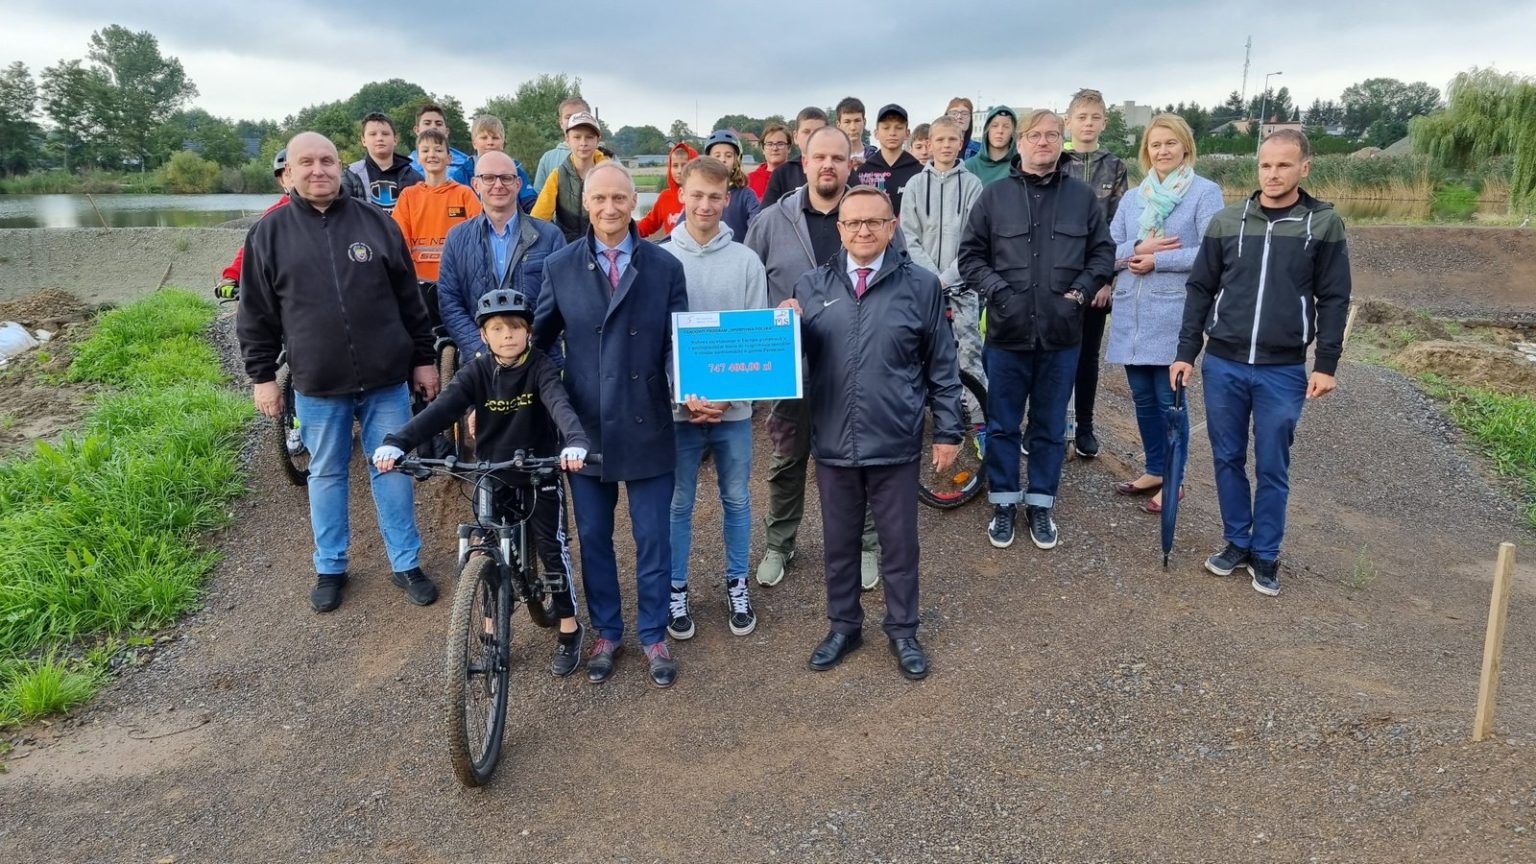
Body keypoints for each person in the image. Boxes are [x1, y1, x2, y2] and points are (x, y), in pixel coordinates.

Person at [237, 132, 440, 613]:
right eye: (306, 162)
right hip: (317, 383)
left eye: (327, 160)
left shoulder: (375, 223)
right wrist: (262, 375)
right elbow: (256, 313)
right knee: (325, 473)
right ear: (289, 172)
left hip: (387, 378)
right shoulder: (270, 233)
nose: (318, 170)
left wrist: (424, 358)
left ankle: (405, 562)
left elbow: (410, 300)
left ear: (340, 167)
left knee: (390, 469)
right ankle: (331, 566)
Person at [781, 185, 962, 680]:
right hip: (834, 439)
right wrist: (785, 330)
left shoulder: (922, 286)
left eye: (873, 222)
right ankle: (844, 625)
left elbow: (942, 365)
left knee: (899, 545)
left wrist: (948, 430)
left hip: (895, 440)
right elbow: (793, 365)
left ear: (891, 227)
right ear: (839, 230)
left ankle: (903, 630)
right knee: (838, 543)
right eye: (853, 222)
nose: (863, 230)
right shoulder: (811, 286)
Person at [1169, 129, 1352, 597]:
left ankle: (1266, 553)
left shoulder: (1323, 225)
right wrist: (1186, 353)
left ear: (1304, 168)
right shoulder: (1228, 221)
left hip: (1282, 368)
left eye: (1284, 165)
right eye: (1266, 165)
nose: (1273, 174)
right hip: (1224, 362)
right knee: (1227, 457)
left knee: (1272, 463)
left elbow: (1333, 298)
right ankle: (1236, 541)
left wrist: (1325, 363)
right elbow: (1200, 289)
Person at [372, 289, 592, 676]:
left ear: (528, 332)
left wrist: (574, 441)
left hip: (538, 470)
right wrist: (397, 442)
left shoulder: (539, 366)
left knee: (551, 549)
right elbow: (441, 410)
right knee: (485, 545)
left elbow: (559, 404)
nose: (507, 335)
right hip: (492, 472)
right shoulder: (475, 371)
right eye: (497, 329)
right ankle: (491, 632)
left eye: (515, 328)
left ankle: (569, 627)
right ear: (484, 336)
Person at [533, 161, 689, 687]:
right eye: (599, 199)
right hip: (587, 428)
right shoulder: (559, 266)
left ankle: (653, 634)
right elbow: (537, 346)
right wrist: (546, 398)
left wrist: (690, 387)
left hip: (647, 422)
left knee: (653, 538)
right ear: (586, 204)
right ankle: (606, 632)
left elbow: (677, 346)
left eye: (619, 198)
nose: (609, 208)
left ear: (635, 204)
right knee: (595, 537)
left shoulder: (665, 267)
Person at [959, 109, 1114, 551]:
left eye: (1051, 135)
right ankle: (1005, 502)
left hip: (1061, 335)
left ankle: (1041, 503)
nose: (1043, 141)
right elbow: (970, 257)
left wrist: (1080, 295)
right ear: (1020, 143)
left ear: (1061, 142)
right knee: (1004, 424)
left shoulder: (1082, 198)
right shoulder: (994, 197)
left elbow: (1103, 255)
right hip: (1007, 334)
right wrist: (999, 294)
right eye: (1034, 135)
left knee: (1048, 426)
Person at [744, 126, 882, 591]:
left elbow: (895, 280)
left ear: (850, 165)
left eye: (837, 158)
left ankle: (865, 545)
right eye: (819, 156)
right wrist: (772, 314)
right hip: (791, 370)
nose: (828, 165)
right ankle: (780, 544)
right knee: (786, 460)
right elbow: (748, 287)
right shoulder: (770, 221)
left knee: (859, 461)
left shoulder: (868, 217)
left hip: (857, 370)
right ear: (803, 162)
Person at [661, 156, 769, 640]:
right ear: (681, 193)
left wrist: (724, 399)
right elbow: (657, 342)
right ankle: (676, 587)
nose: (705, 204)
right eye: (697, 194)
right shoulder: (662, 258)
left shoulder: (746, 261)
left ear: (729, 199)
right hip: (678, 411)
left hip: (734, 411)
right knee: (679, 503)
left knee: (737, 498)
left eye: (715, 196)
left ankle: (736, 581)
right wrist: (684, 398)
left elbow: (753, 338)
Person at [1106, 115, 1224, 513]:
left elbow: (1211, 253)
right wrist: (1140, 248)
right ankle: (1155, 469)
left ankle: (1175, 481)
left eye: (1170, 143)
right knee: (1141, 397)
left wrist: (1159, 260)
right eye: (1155, 145)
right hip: (1131, 315)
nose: (1162, 151)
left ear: (1185, 146)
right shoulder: (1133, 198)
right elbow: (1109, 250)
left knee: (1169, 400)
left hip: (1173, 311)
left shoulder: (1205, 193)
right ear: (1146, 151)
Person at [437, 150, 567, 362]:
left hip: (540, 365)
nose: (498, 185)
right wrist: (483, 351)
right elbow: (450, 302)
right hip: (479, 367)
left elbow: (561, 301)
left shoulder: (550, 236)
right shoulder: (457, 238)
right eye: (488, 178)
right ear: (475, 184)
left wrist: (525, 348)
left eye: (506, 177)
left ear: (517, 184)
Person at [1059, 88, 1131, 459]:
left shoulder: (1115, 166)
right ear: (1068, 120)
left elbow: (1119, 227)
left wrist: (1107, 279)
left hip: (1097, 280)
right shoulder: (1057, 160)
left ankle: (1085, 426)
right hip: (1058, 278)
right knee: (1051, 353)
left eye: (1095, 117)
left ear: (1104, 121)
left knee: (1087, 356)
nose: (1088, 124)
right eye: (1081, 117)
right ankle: (1051, 424)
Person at [900, 115, 984, 409]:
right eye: (940, 139)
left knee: (969, 353)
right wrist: (931, 278)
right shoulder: (914, 185)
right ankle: (920, 409)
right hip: (923, 288)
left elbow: (974, 240)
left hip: (962, 287)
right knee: (917, 349)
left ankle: (975, 415)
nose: (946, 145)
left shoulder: (973, 185)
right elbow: (908, 236)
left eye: (952, 139)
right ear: (929, 143)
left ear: (961, 143)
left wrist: (947, 277)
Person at [391, 127, 482, 282]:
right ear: (418, 158)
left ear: (449, 158)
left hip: (457, 280)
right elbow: (399, 239)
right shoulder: (408, 196)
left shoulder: (464, 194)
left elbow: (480, 235)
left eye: (438, 150)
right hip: (418, 282)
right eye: (425, 150)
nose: (432, 155)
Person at [216, 148, 289, 299]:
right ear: (281, 180)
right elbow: (252, 248)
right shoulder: (274, 214)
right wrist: (232, 276)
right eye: (287, 174)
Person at [531, 111, 610, 241]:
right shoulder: (557, 175)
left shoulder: (610, 174)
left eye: (589, 137)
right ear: (567, 139)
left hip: (602, 245)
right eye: (577, 137)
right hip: (566, 249)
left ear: (598, 140)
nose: (583, 143)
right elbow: (538, 219)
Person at [341, 112, 423, 212]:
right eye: (372, 134)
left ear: (395, 139)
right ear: (363, 141)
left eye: (385, 134)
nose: (379, 138)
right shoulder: (351, 174)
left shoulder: (414, 177)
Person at [852, 104, 924, 215]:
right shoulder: (863, 173)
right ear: (876, 133)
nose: (892, 133)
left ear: (907, 133)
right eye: (886, 128)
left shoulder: (920, 173)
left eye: (899, 128)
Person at [702, 129, 762, 242]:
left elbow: (757, 227)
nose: (723, 160)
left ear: (736, 161)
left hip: (737, 256)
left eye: (728, 156)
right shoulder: (700, 194)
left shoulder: (746, 195)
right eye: (717, 155)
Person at [469, 113, 538, 212]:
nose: (490, 142)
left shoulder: (516, 169)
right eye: (484, 138)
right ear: (474, 143)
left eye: (495, 138)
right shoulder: (463, 173)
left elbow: (530, 202)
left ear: (502, 144)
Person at [762, 106, 830, 206]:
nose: (812, 137)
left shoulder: (842, 170)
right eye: (806, 132)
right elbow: (764, 217)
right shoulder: (782, 174)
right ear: (795, 136)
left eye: (817, 132)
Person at [634, 140, 698, 239]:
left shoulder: (702, 196)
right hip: (673, 251)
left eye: (684, 165)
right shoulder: (665, 197)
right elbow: (650, 223)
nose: (679, 171)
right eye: (675, 166)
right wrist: (626, 229)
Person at [534, 96, 592, 190]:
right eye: (568, 117)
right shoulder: (548, 158)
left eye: (579, 116)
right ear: (561, 123)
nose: (574, 121)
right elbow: (538, 196)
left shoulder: (607, 157)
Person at [409, 103, 474, 186]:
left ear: (447, 132)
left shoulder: (466, 163)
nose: (433, 127)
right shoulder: (405, 167)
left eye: (438, 124)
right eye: (427, 123)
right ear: (417, 130)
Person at [963, 105, 1019, 187]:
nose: (1000, 131)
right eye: (995, 126)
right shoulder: (969, 166)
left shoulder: (1020, 166)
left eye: (1006, 126)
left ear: (1013, 133)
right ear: (987, 130)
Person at [748, 123, 791, 201]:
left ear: (789, 148)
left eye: (780, 144)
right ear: (763, 149)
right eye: (770, 144)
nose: (775, 148)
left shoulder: (799, 177)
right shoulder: (749, 181)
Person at [835, 96, 879, 166]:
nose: (853, 127)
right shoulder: (831, 158)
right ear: (838, 125)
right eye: (847, 122)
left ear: (864, 123)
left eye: (857, 121)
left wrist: (869, 167)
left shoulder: (877, 158)